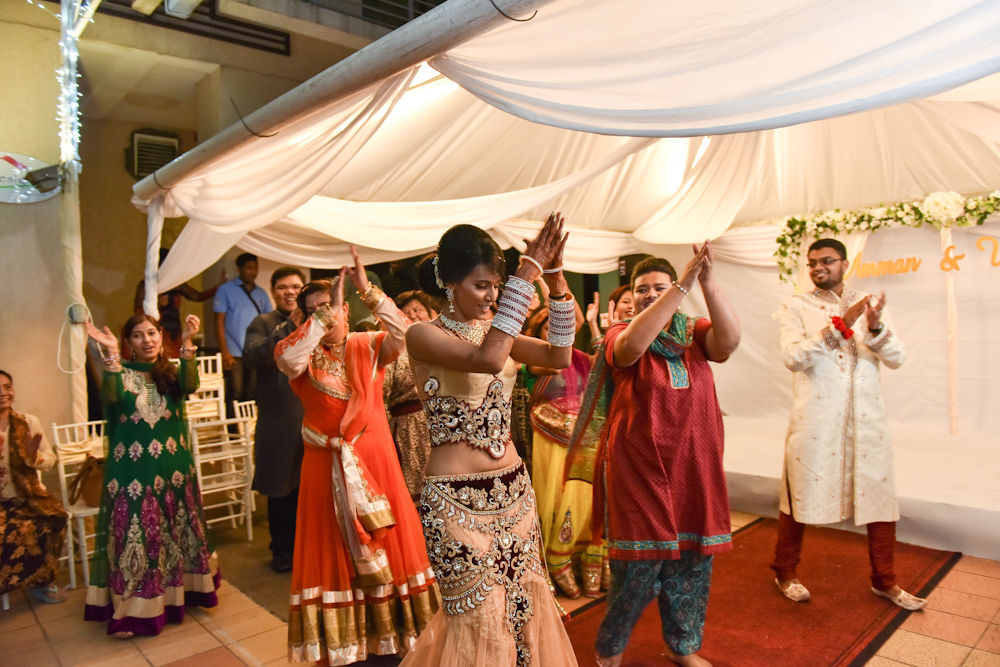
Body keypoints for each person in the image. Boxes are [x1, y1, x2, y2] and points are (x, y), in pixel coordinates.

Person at [399, 216, 579, 667]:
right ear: (449, 284)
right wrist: (526, 273)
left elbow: (559, 356)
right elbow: (488, 359)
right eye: (482, 285)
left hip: (514, 494)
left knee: (523, 610)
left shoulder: (496, 333)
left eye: (497, 286)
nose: (492, 296)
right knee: (479, 620)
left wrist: (556, 281)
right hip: (455, 502)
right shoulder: (423, 335)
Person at [275, 248, 438, 664]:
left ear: (347, 310)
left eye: (333, 307)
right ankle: (347, 646)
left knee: (391, 544)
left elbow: (406, 334)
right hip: (325, 468)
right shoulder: (301, 359)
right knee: (333, 550)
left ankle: (395, 638)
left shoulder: (367, 345)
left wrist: (369, 292)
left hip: (376, 462)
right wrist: (322, 315)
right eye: (314, 311)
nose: (327, 315)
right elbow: (286, 358)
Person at [590, 244, 741, 667]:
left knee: (692, 563)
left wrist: (706, 280)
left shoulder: (692, 332)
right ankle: (611, 648)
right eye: (642, 289)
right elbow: (631, 348)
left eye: (659, 286)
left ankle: (683, 646)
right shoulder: (620, 333)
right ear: (631, 296)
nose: (651, 294)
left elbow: (729, 342)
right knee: (636, 569)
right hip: (638, 469)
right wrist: (681, 285)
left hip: (693, 467)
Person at [771, 238, 924, 610]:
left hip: (867, 421)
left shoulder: (869, 303)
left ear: (844, 263)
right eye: (812, 263)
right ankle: (785, 571)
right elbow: (793, 357)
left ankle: (885, 581)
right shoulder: (795, 306)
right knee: (800, 493)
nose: (818, 268)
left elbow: (898, 358)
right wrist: (840, 328)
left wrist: (875, 328)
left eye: (826, 260)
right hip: (816, 419)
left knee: (879, 495)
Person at [83, 313, 220, 637]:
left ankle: (181, 595)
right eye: (137, 335)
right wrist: (110, 353)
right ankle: (134, 611)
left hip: (173, 468)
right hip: (132, 472)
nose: (146, 340)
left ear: (160, 336)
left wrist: (186, 342)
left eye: (151, 333)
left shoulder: (170, 373)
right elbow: (111, 397)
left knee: (175, 531)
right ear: (129, 343)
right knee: (138, 536)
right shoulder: (120, 374)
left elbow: (191, 385)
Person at [522, 310, 602, 598]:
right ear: (538, 333)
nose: (556, 332)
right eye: (549, 328)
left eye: (561, 327)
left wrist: (592, 325)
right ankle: (556, 557)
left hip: (582, 438)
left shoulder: (578, 357)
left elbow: (603, 364)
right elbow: (554, 365)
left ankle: (590, 554)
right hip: (550, 438)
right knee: (557, 496)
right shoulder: (532, 361)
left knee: (586, 495)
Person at [241, 266, 306, 574]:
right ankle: (281, 550)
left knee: (313, 488)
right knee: (282, 487)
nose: (289, 292)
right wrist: (288, 328)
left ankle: (311, 549)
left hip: (313, 417)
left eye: (295, 286)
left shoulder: (318, 323)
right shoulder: (263, 322)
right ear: (273, 292)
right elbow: (252, 356)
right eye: (282, 287)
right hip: (280, 418)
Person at [0, 370, 69, 604]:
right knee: (8, 532)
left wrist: (32, 456)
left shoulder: (28, 422)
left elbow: (49, 460)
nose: (3, 393)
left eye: (7, 386)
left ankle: (41, 583)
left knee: (54, 518)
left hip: (27, 496)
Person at [383, 290, 436, 503]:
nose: (413, 315)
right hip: (407, 430)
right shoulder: (392, 350)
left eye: (417, 309)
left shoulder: (442, 344)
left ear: (430, 314)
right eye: (406, 312)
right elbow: (381, 395)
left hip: (441, 422)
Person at [133, 247, 224, 358]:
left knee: (176, 358)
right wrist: (158, 304)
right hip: (155, 329)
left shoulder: (176, 283)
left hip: (175, 330)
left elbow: (197, 296)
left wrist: (218, 287)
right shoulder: (146, 285)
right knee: (159, 357)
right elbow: (138, 312)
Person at [214, 252, 272, 405]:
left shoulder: (261, 293)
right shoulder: (225, 290)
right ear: (239, 269)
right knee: (235, 390)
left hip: (255, 350)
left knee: (252, 391)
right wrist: (224, 351)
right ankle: (232, 420)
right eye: (248, 268)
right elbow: (218, 322)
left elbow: (269, 321)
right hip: (233, 350)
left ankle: (249, 420)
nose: (252, 272)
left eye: (255, 268)